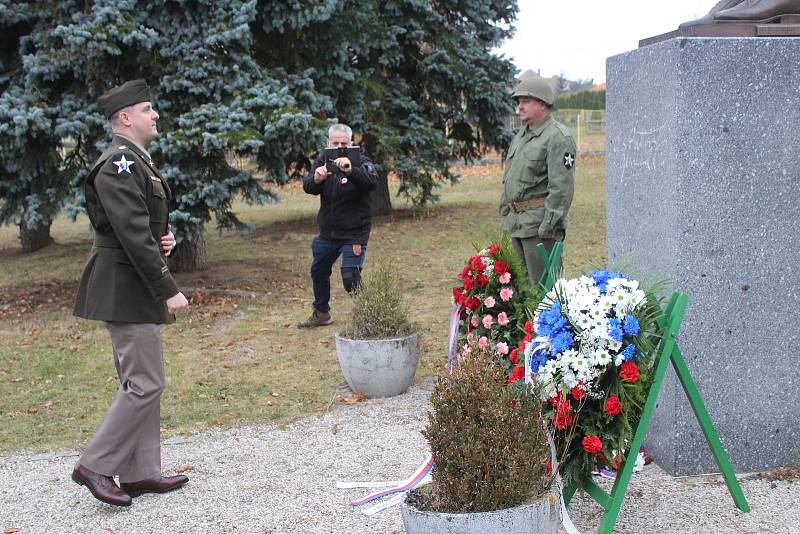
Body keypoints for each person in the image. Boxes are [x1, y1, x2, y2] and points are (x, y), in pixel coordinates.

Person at [71, 79, 190, 506]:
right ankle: (96, 466)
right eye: (147, 109)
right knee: (145, 382)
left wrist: (166, 237)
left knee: (141, 379)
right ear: (125, 118)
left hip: (130, 282)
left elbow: (142, 227)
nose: (154, 114)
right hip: (125, 285)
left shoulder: (135, 160)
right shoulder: (119, 162)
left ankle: (139, 473)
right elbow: (132, 233)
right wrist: (167, 288)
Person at [298, 123, 379, 328]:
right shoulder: (324, 160)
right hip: (327, 233)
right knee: (318, 271)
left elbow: (372, 181)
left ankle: (373, 313)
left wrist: (350, 170)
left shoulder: (361, 160)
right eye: (335, 143)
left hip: (354, 234)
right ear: (328, 143)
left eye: (344, 143)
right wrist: (316, 179)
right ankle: (321, 313)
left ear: (351, 143)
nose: (340, 147)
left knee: (351, 278)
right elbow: (308, 185)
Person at [499, 75, 576, 286]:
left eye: (525, 101)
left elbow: (562, 187)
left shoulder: (558, 137)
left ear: (542, 103)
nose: (519, 106)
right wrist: (505, 213)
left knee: (544, 292)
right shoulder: (522, 135)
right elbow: (511, 177)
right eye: (518, 101)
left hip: (539, 228)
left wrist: (550, 225)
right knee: (519, 291)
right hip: (517, 225)